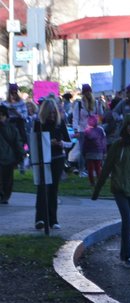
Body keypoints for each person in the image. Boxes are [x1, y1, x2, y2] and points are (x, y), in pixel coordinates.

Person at [91, 113, 130, 269]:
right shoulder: (118, 146)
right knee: (127, 220)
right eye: (129, 124)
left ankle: (124, 248)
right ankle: (128, 257)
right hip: (120, 188)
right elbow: (107, 168)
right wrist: (97, 189)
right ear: (125, 127)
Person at [33, 99, 72, 231]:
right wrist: (47, 142)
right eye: (49, 114)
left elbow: (69, 142)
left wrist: (61, 144)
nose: (52, 116)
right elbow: (34, 142)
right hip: (43, 160)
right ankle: (40, 218)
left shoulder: (59, 125)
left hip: (57, 158)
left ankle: (53, 219)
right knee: (42, 189)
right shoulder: (38, 124)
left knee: (53, 189)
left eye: (54, 113)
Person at [0, 104, 25, 204]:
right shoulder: (12, 127)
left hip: (9, 158)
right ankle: (3, 196)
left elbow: (17, 142)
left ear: (5, 116)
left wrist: (20, 155)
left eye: (1, 115)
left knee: (8, 179)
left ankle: (5, 196)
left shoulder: (11, 128)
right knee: (5, 179)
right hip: (8, 158)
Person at [81, 115, 107, 187]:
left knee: (90, 168)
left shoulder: (87, 131)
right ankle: (100, 181)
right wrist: (104, 151)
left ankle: (92, 182)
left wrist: (83, 152)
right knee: (98, 167)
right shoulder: (101, 130)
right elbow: (103, 141)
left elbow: (85, 143)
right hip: (98, 151)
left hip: (89, 152)